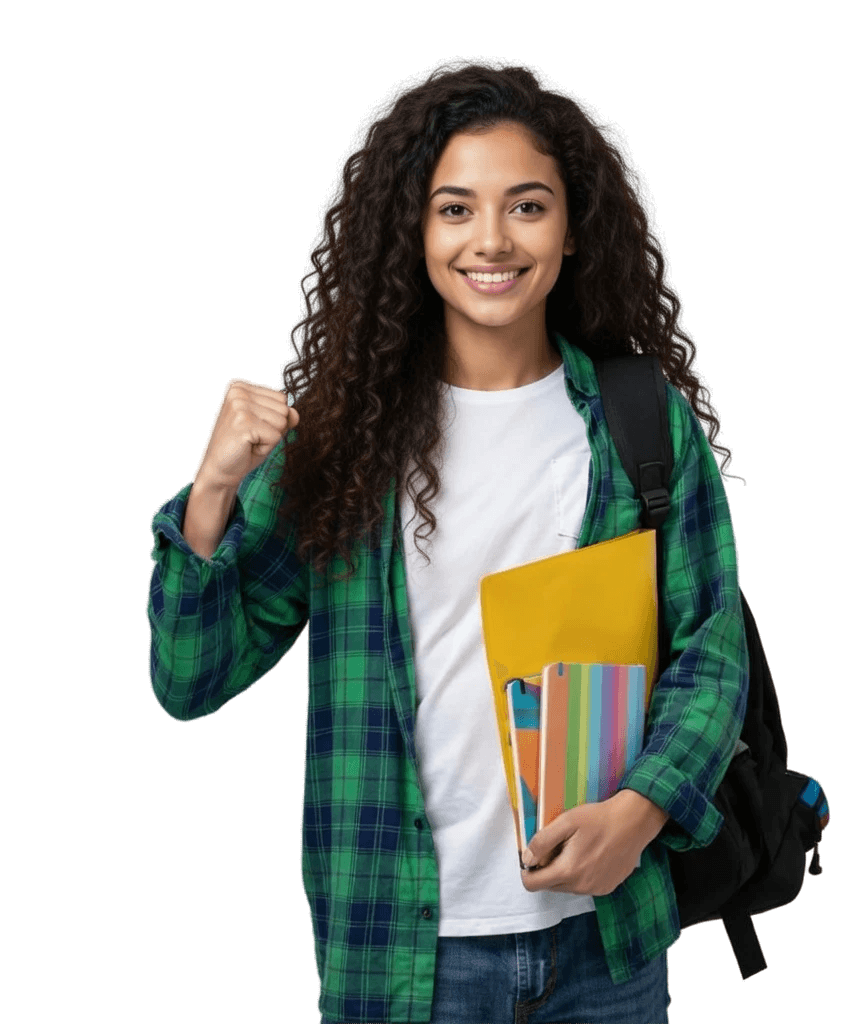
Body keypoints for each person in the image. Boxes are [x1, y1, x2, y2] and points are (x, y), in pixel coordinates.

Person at [147, 56, 749, 1024]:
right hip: (400, 948)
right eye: (456, 208)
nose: (493, 240)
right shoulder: (342, 439)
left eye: (528, 205)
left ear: (572, 228)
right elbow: (190, 676)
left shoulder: (638, 420)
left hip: (604, 938)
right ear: (413, 232)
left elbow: (709, 653)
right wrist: (213, 488)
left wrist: (642, 810)